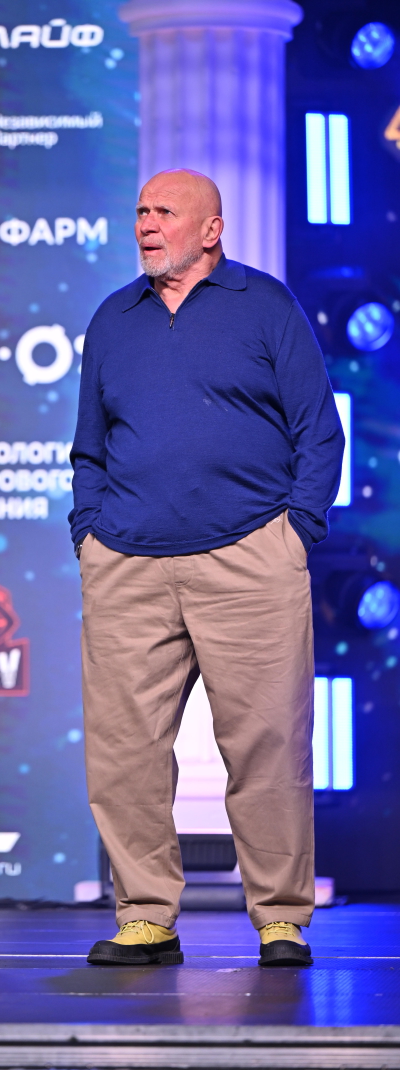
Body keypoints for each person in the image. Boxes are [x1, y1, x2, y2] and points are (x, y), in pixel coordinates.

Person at [70, 169, 344, 969]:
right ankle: (145, 917)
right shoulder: (113, 317)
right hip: (127, 560)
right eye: (141, 211)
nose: (147, 224)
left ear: (212, 229)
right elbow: (89, 446)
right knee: (123, 753)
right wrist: (89, 534)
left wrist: (296, 532)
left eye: (165, 212)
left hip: (251, 556)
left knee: (268, 745)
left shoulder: (265, 305)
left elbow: (318, 430)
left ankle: (281, 918)